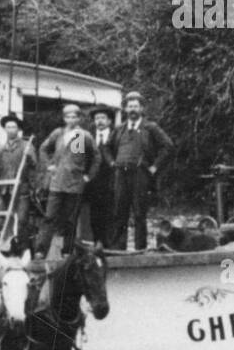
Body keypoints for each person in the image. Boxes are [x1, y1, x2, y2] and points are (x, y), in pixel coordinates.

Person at [110, 91, 174, 251]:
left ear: (141, 109)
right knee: (119, 213)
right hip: (121, 175)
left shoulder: (150, 127)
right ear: (125, 109)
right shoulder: (119, 129)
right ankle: (119, 249)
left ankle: (140, 249)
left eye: (136, 106)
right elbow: (106, 147)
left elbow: (168, 146)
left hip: (140, 175)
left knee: (139, 214)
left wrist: (155, 166)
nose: (132, 109)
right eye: (130, 106)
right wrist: (112, 162)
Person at [34, 104, 99, 259]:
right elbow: (43, 149)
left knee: (70, 220)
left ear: (79, 118)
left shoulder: (83, 136)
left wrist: (88, 176)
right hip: (56, 184)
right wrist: (49, 166)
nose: (71, 119)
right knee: (49, 217)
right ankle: (41, 250)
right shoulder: (58, 133)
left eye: (74, 116)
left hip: (75, 185)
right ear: (64, 118)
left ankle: (67, 251)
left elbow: (96, 157)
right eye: (68, 116)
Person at [0, 114, 37, 254]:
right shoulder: (1, 149)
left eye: (13, 127)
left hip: (21, 189)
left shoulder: (27, 146)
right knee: (3, 220)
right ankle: (7, 250)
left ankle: (24, 250)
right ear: (4, 129)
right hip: (5, 189)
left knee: (21, 220)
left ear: (18, 129)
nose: (11, 130)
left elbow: (34, 165)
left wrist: (29, 156)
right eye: (8, 127)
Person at [86, 106, 116, 246]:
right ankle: (96, 242)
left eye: (103, 118)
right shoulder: (83, 135)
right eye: (97, 118)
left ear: (109, 121)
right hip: (92, 182)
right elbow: (75, 156)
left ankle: (110, 244)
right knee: (94, 214)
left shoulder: (117, 134)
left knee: (111, 213)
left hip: (112, 180)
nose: (100, 121)